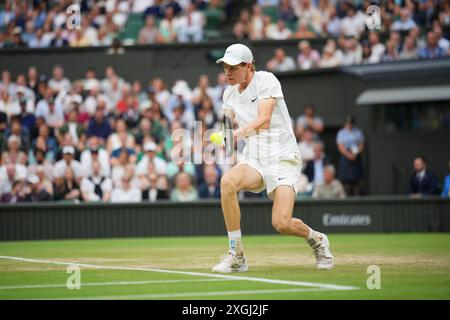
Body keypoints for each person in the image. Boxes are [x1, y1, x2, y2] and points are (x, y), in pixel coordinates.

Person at [211, 43, 333, 273]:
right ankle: (236, 254)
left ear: (248, 66)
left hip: (283, 158)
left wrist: (234, 134)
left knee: (281, 223)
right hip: (254, 159)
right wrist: (222, 136)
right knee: (227, 182)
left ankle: (317, 239)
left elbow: (264, 121)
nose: (228, 72)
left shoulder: (267, 80)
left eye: (234, 67)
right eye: (226, 67)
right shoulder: (229, 94)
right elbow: (226, 127)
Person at [336, 115, 364, 196]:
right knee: (346, 180)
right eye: (348, 123)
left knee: (357, 180)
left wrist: (356, 153)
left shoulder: (358, 132)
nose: (349, 125)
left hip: (356, 155)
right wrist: (348, 155)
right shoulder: (341, 133)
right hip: (346, 156)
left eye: (351, 123)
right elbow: (340, 146)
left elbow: (361, 145)